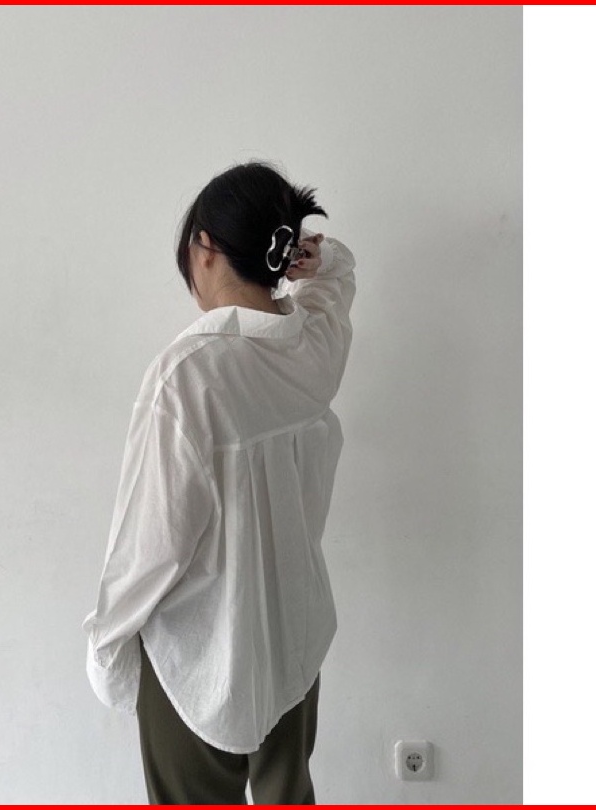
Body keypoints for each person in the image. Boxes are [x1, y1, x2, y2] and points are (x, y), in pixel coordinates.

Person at [81, 159, 357, 804]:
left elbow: (153, 543)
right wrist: (317, 257)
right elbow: (335, 283)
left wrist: (106, 646)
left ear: (204, 247)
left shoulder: (188, 373)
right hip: (293, 636)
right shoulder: (312, 348)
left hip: (199, 656)